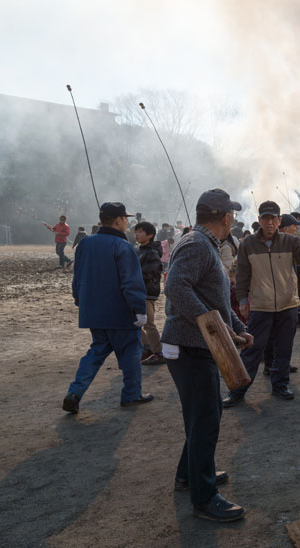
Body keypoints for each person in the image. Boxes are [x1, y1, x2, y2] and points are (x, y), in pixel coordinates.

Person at [161, 188, 252, 522]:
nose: (233, 221)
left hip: (198, 344)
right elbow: (175, 287)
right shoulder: (198, 245)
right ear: (225, 217)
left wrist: (235, 326)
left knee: (203, 414)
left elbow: (213, 296)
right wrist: (214, 326)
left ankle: (190, 474)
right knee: (206, 419)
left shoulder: (205, 244)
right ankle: (204, 496)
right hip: (189, 346)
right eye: (232, 215)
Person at [226, 203, 300, 406]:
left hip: (287, 304)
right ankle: (238, 390)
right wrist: (244, 300)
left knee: (284, 348)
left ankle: (280, 385)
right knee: (252, 348)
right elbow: (243, 274)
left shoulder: (290, 241)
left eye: (274, 219)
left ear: (279, 221)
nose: (270, 223)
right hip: (261, 306)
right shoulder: (248, 245)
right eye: (266, 219)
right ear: (260, 220)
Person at [62, 202, 154, 413]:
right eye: (126, 219)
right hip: (120, 313)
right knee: (131, 353)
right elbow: (131, 283)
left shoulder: (85, 244)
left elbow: (78, 278)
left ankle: (75, 392)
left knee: (95, 353)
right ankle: (132, 394)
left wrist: (80, 300)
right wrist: (139, 310)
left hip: (93, 312)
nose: (127, 223)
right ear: (119, 220)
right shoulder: (123, 247)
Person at [133, 221, 165, 365]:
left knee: (149, 324)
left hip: (146, 293)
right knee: (134, 322)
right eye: (136, 232)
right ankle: (147, 347)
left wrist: (132, 277)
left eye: (140, 232)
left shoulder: (151, 253)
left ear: (150, 235)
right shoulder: (140, 250)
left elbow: (150, 274)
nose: (137, 235)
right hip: (137, 292)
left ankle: (159, 352)